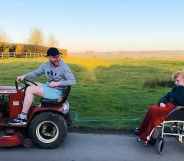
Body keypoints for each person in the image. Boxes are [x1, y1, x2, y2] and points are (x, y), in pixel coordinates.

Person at [9, 47, 76, 125]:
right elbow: (36, 73)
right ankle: (28, 107)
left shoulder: (64, 67)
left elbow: (72, 81)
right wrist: (24, 76)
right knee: (32, 84)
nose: (57, 59)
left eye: (58, 56)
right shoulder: (46, 65)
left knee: (30, 89)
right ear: (49, 57)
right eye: (54, 57)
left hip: (58, 92)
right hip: (50, 87)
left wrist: (57, 83)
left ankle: (22, 118)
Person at [136, 71, 184, 144]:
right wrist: (162, 102)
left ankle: (148, 135)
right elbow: (166, 96)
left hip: (175, 109)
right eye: (175, 81)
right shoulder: (176, 88)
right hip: (168, 106)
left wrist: (181, 88)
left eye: (178, 81)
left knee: (154, 110)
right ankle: (143, 130)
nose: (175, 83)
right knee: (152, 109)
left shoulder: (179, 89)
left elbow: (179, 101)